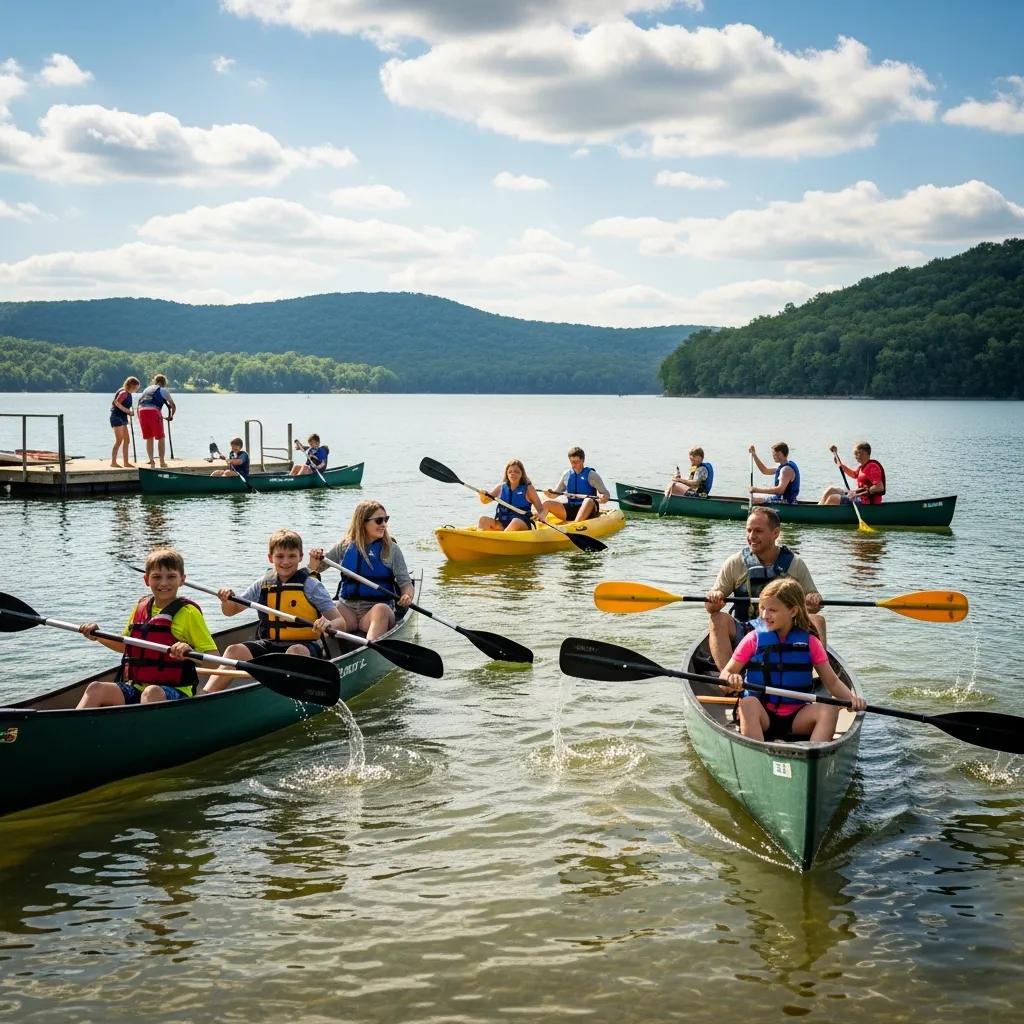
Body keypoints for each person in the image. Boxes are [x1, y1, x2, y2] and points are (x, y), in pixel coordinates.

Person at [719, 578, 866, 742]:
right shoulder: (753, 639)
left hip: (797, 715)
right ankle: (757, 753)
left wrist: (852, 700)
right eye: (762, 608)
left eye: (772, 610)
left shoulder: (810, 642)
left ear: (793, 611)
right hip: (762, 715)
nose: (765, 615)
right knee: (747, 704)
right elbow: (726, 674)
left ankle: (813, 756)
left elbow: (831, 682)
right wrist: (730, 679)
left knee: (829, 709)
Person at [204, 528, 343, 693]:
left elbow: (340, 622)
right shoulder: (263, 583)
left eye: (292, 556)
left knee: (294, 652)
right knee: (234, 650)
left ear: (300, 557)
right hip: (269, 645)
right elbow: (231, 611)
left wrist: (327, 624)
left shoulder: (311, 585)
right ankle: (204, 695)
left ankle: (286, 695)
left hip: (305, 646)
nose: (286, 561)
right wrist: (226, 600)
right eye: (279, 556)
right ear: (270, 558)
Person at [76, 547, 217, 708]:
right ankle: (70, 731)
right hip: (136, 688)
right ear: (146, 580)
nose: (164, 583)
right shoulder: (140, 607)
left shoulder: (189, 613)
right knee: (95, 689)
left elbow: (214, 661)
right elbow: (125, 646)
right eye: (157, 577)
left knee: (151, 693)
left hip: (176, 691)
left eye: (171, 577)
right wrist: (98, 636)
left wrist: (189, 653)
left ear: (182, 580)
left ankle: (145, 731)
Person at [704, 506, 825, 670]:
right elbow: (711, 607)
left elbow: (814, 606)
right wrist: (714, 599)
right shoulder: (735, 563)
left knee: (817, 621)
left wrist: (813, 600)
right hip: (747, 630)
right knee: (716, 619)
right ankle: (728, 680)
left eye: (758, 531)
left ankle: (821, 678)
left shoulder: (795, 564)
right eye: (749, 530)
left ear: (775, 533)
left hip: (786, 632)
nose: (751, 536)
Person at [309, 499, 415, 642]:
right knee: (332, 607)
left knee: (381, 610)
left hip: (375, 612)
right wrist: (315, 560)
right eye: (378, 520)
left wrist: (407, 596)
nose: (384, 524)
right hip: (348, 610)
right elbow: (316, 569)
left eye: (385, 520)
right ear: (362, 522)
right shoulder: (344, 546)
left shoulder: (391, 550)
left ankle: (370, 649)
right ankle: (326, 652)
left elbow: (406, 583)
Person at [541, 446, 610, 522]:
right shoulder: (566, 474)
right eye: (571, 462)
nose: (573, 465)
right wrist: (548, 493)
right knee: (547, 504)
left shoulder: (592, 475)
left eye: (576, 462)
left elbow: (606, 494)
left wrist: (603, 497)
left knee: (588, 500)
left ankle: (575, 525)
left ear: (583, 460)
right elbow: (554, 495)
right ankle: (539, 524)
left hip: (589, 509)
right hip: (571, 509)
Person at [478, 459, 546, 532]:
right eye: (510, 472)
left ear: (521, 474)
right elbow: (485, 501)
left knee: (515, 522)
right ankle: (480, 540)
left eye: (516, 472)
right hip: (502, 523)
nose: (512, 474)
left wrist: (539, 515)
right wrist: (482, 495)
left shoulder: (529, 489)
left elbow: (541, 510)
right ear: (507, 474)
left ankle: (502, 539)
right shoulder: (500, 488)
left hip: (522, 524)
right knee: (483, 520)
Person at [819, 442, 886, 505]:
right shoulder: (862, 467)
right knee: (831, 490)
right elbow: (853, 474)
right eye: (855, 453)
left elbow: (879, 487)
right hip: (859, 496)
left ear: (866, 453)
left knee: (833, 498)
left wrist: (857, 494)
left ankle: (821, 514)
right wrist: (837, 458)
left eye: (858, 453)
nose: (855, 456)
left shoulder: (872, 467)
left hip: (867, 502)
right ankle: (818, 509)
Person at [136, 373, 177, 468]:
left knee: (149, 437)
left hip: (141, 411)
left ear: (155, 381)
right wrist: (171, 416)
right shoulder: (163, 390)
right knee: (161, 437)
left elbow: (140, 402)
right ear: (164, 383)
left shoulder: (147, 389)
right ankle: (162, 462)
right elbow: (173, 406)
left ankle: (152, 462)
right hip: (153, 412)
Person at [109, 376, 140, 468]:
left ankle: (125, 462)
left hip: (123, 418)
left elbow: (125, 405)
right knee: (119, 440)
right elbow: (116, 403)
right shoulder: (123, 392)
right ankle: (113, 462)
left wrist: (130, 411)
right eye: (135, 388)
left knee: (127, 440)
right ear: (130, 385)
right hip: (116, 417)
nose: (136, 390)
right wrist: (128, 411)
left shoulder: (129, 394)